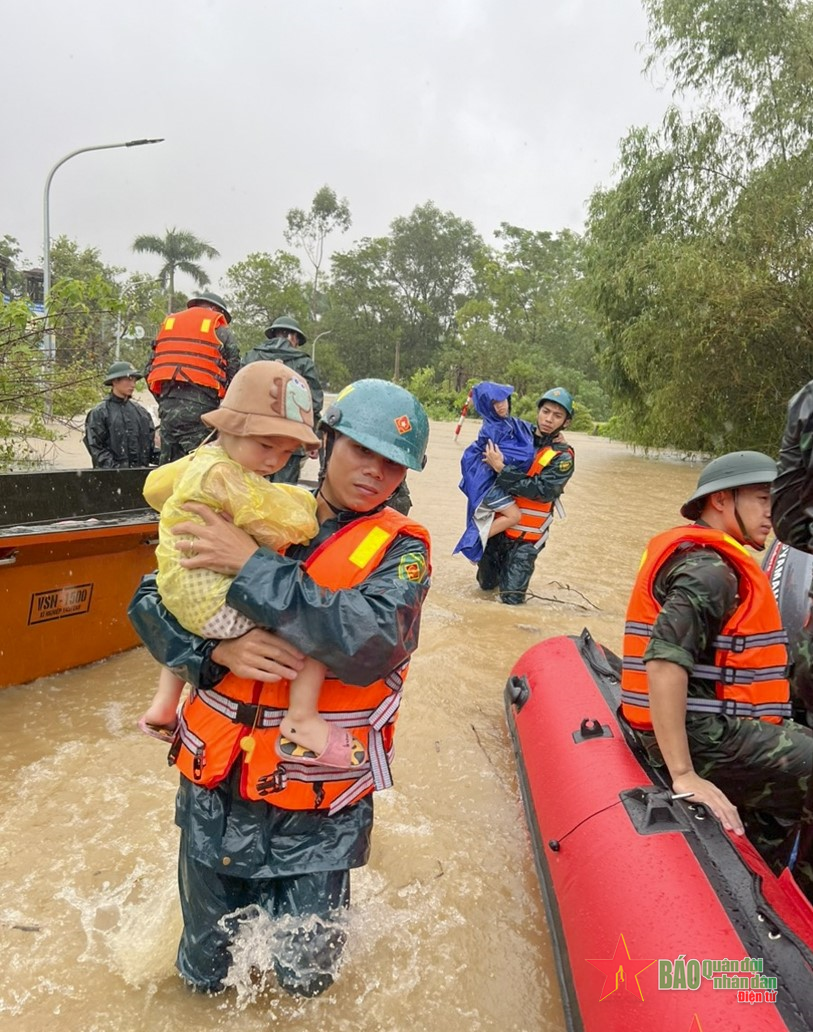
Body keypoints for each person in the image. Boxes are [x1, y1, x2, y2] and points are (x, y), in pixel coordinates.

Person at [128, 378, 431, 997]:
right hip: (218, 791)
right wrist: (213, 652)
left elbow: (369, 641)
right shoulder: (250, 497)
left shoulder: (402, 552)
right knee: (203, 975)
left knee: (303, 984)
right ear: (326, 442)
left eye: (392, 463)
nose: (375, 472)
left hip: (316, 815)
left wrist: (251, 565)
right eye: (360, 451)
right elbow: (150, 600)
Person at [138, 361, 364, 769]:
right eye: (265, 446)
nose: (274, 461)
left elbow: (155, 489)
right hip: (218, 607)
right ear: (229, 427)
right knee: (312, 622)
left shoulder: (201, 462)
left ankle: (162, 705)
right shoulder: (227, 476)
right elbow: (292, 522)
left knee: (177, 611)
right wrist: (302, 502)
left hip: (180, 592)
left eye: (286, 452)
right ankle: (301, 719)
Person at [620, 450, 813, 895]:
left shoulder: (715, 561)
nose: (774, 512)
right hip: (704, 736)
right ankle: (801, 905)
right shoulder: (709, 571)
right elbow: (665, 660)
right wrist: (684, 774)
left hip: (719, 724)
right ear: (722, 501)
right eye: (764, 499)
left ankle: (761, 858)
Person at [476, 387, 575, 604]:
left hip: (525, 542)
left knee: (511, 600)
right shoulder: (518, 434)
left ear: (566, 422)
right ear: (538, 411)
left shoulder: (563, 457)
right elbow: (494, 424)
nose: (549, 419)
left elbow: (541, 490)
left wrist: (502, 470)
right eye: (546, 411)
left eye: (557, 416)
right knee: (484, 589)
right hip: (497, 532)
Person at [145, 291, 240, 464]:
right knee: (202, 468)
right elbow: (234, 375)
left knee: (169, 469)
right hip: (201, 411)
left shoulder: (168, 328)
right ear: (215, 309)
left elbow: (149, 371)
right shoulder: (220, 331)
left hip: (168, 408)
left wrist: (166, 401)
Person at [454, 381, 536, 562]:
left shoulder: (506, 423)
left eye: (503, 400)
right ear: (487, 407)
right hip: (487, 485)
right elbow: (511, 456)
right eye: (494, 403)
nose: (501, 406)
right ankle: (473, 542)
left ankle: (476, 542)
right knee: (514, 516)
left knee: (489, 517)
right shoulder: (491, 429)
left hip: (488, 483)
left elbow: (527, 430)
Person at [242, 315, 323, 485]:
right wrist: (313, 438)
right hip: (289, 440)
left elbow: (237, 392)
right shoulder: (303, 362)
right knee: (282, 492)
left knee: (248, 490)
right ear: (293, 337)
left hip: (253, 436)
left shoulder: (251, 356)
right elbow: (314, 404)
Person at [83, 361, 159, 468]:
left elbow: (149, 450)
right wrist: (118, 472)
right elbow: (96, 449)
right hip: (111, 480)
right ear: (115, 381)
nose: (132, 384)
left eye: (134, 380)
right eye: (128, 380)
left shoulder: (142, 413)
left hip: (140, 478)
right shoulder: (99, 413)